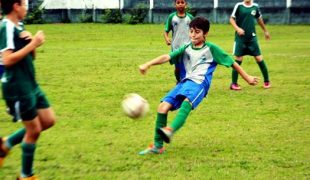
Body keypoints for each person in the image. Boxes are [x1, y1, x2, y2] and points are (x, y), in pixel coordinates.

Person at [138, 17, 259, 155]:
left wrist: (247, 77)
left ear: (205, 34)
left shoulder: (211, 49)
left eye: (197, 32)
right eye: (191, 31)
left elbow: (232, 63)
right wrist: (148, 64)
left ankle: (170, 130)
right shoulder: (187, 48)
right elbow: (167, 57)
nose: (193, 35)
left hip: (200, 84)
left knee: (186, 103)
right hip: (184, 82)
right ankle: (158, 146)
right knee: (162, 107)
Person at [0, 0, 56, 179]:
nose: (26, 7)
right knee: (34, 131)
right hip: (17, 87)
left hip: (31, 84)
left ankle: (6, 144)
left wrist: (32, 42)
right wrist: (33, 44)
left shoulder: (20, 25)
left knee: (48, 120)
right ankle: (26, 175)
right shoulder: (6, 27)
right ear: (16, 6)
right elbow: (6, 60)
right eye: (24, 3)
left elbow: (32, 57)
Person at [230, 0, 271, 90]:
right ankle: (234, 84)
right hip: (240, 38)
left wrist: (265, 31)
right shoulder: (239, 6)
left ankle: (267, 81)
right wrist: (238, 29)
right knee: (238, 60)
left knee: (259, 58)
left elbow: (259, 19)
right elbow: (231, 19)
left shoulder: (255, 6)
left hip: (252, 38)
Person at [164, 0, 193, 83]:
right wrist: (167, 39)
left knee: (187, 66)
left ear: (186, 5)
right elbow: (166, 30)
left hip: (188, 46)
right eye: (178, 2)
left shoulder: (190, 17)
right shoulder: (172, 17)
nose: (180, 4)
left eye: (182, 2)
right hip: (176, 46)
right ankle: (178, 80)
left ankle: (185, 82)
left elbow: (195, 29)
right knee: (177, 68)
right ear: (175, 5)